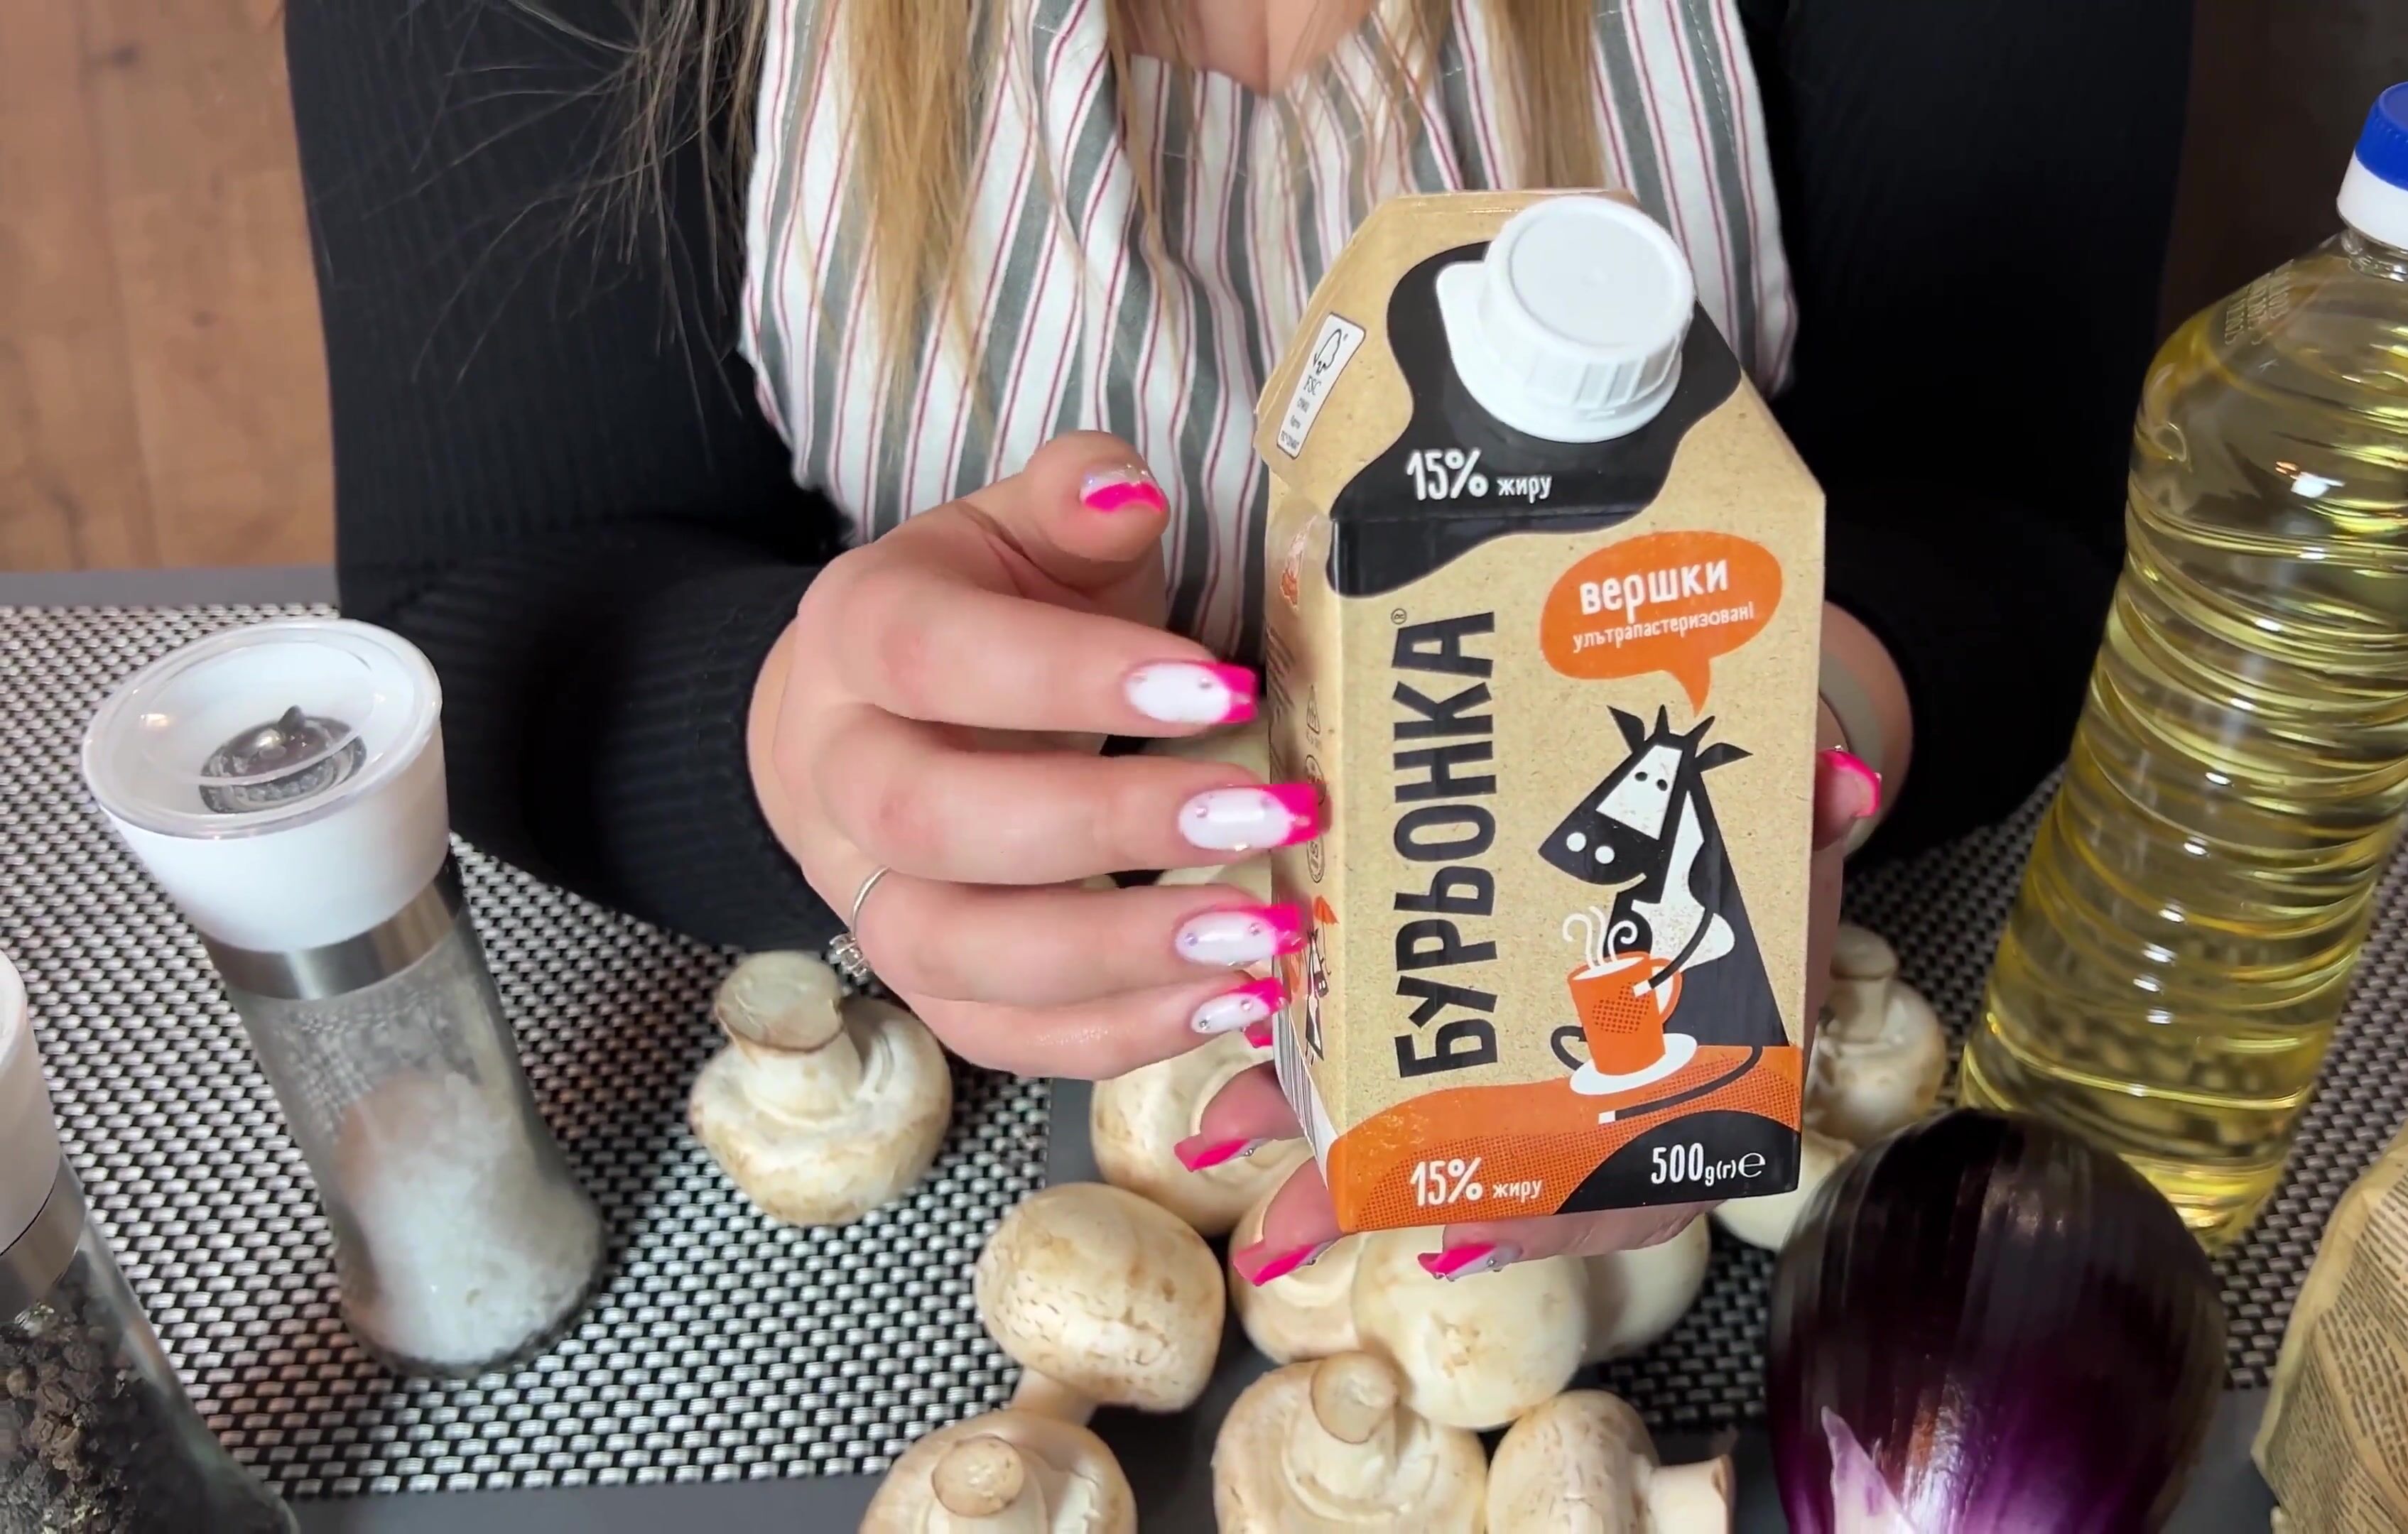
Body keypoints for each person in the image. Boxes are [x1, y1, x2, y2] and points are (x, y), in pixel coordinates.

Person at [283, 0, 2189, 1282]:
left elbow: (2013, 502)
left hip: (1632, 1039)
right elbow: (484, 601)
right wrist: (785, 746)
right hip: (941, 1095)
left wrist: (1817, 721)